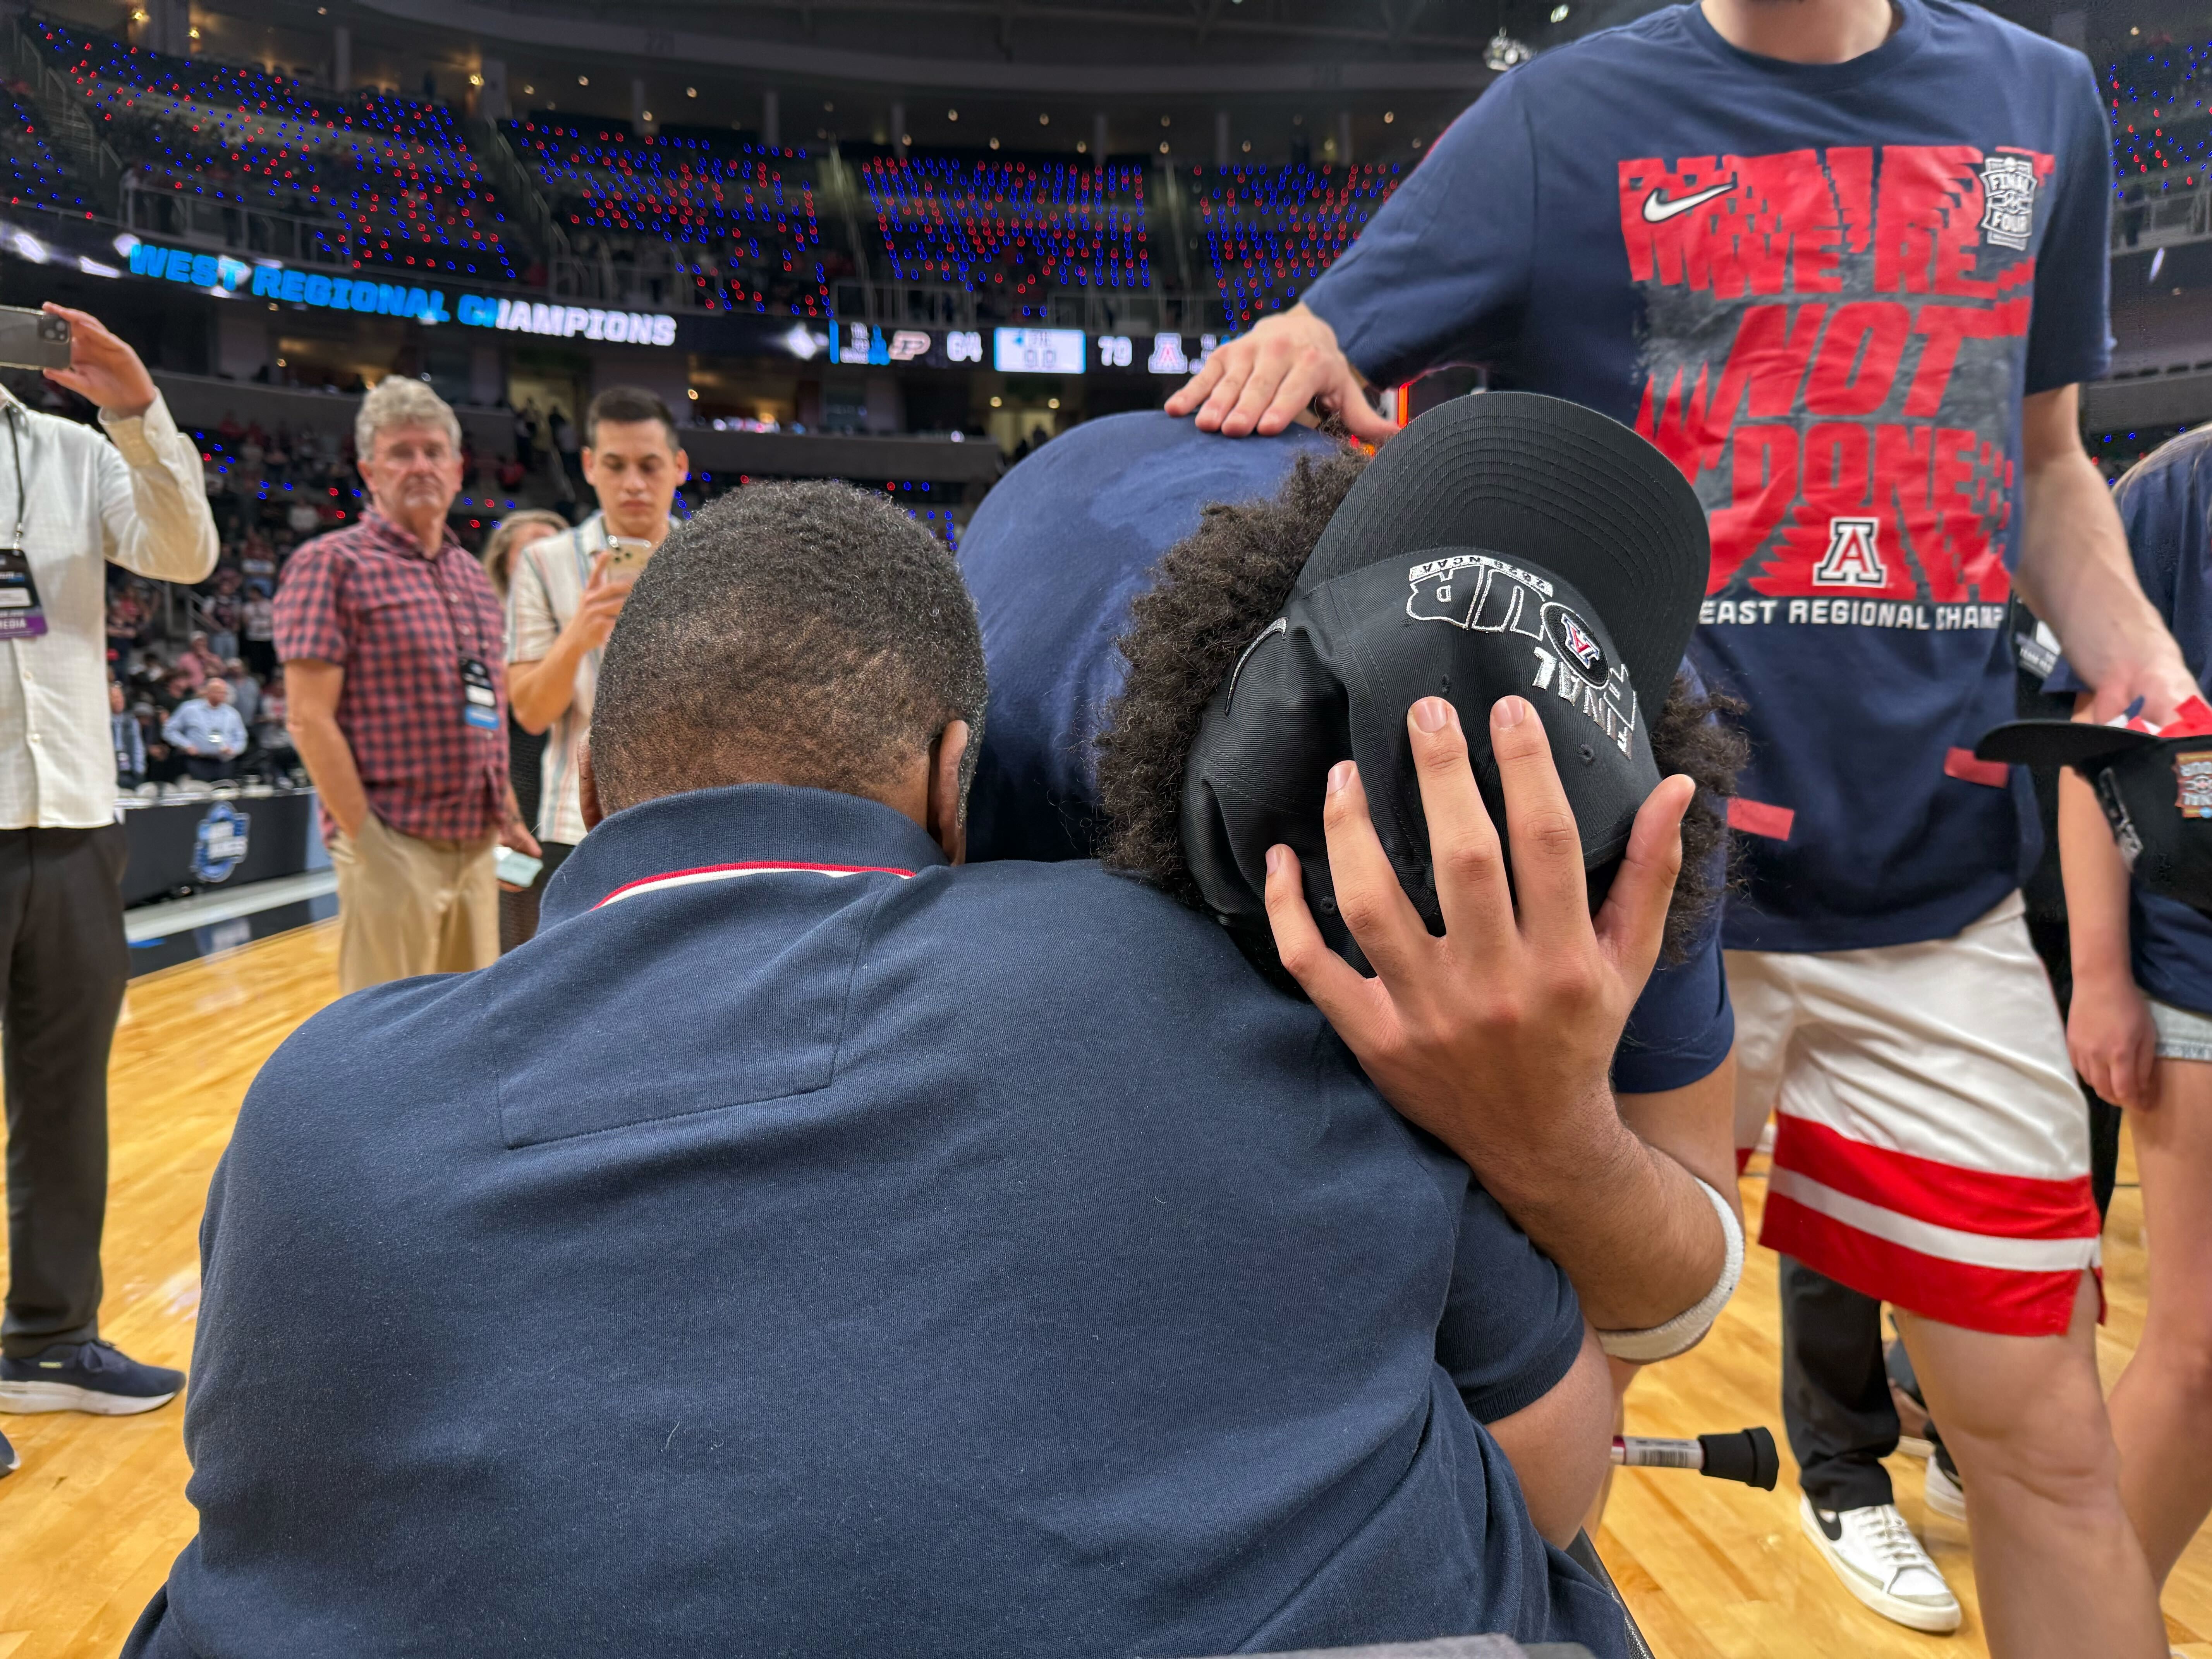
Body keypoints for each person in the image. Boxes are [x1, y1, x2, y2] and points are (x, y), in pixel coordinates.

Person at [122, 478, 1686, 1659]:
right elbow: (1557, 1470)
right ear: (956, 780)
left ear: (598, 777)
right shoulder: (1204, 975)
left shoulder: (310, 1107)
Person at [1165, 0, 2191, 1647]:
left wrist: (2134, 653)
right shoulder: (1555, 121)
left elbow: (2049, 459)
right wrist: (1304, 353)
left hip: (1933, 895)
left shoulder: (2039, 100)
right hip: (1610, 913)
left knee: (2044, 1436)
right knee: (1543, 1442)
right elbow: (1331, 368)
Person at [958, 409, 1745, 1532]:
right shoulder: (1017, 770)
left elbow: (1677, 1295)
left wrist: (1552, 1135)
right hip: (1056, 529)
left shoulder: (1642, 781)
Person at [0, 303, 217, 1465]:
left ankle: (46, 1340)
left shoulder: (72, 450)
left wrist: (135, 408)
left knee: (66, 1097)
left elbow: (188, 555)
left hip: (76, 813)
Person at [2044, 423, 2212, 1590]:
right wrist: (2100, 977)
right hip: (2195, 970)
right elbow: (2089, 752)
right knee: (2198, 1351)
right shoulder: (2171, 497)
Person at [274, 377, 539, 996]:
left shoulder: (471, 575)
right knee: (384, 1039)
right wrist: (366, 838)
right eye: (401, 453)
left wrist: (505, 815)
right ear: (370, 469)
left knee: (464, 1029)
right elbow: (309, 719)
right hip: (391, 838)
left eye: (432, 452)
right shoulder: (331, 564)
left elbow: (487, 710)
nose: (419, 466)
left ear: (456, 468)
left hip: (476, 845)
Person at [504, 388, 688, 942]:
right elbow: (532, 713)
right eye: (616, 465)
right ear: (588, 466)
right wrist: (579, 635)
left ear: (679, 468)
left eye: (650, 466)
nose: (634, 483)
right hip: (574, 823)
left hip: (690, 816)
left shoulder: (715, 558)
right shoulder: (543, 563)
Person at [478, 508, 570, 953]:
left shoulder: (586, 627)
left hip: (573, 796)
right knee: (517, 932)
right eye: (533, 552)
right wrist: (502, 811)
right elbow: (479, 730)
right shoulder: (482, 633)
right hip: (516, 792)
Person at [162, 677, 247, 783]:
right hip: (197, 762)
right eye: (219, 692)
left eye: (224, 692)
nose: (223, 695)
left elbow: (241, 737)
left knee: (223, 794)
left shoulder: (232, 714)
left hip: (223, 763)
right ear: (209, 692)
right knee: (200, 793)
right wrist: (186, 745)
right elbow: (169, 730)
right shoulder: (190, 709)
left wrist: (234, 749)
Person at [111, 680, 144, 791]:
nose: (119, 701)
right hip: (111, 771)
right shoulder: (103, 721)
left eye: (121, 697)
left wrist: (139, 770)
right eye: (115, 698)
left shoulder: (131, 721)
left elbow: (138, 747)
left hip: (129, 770)